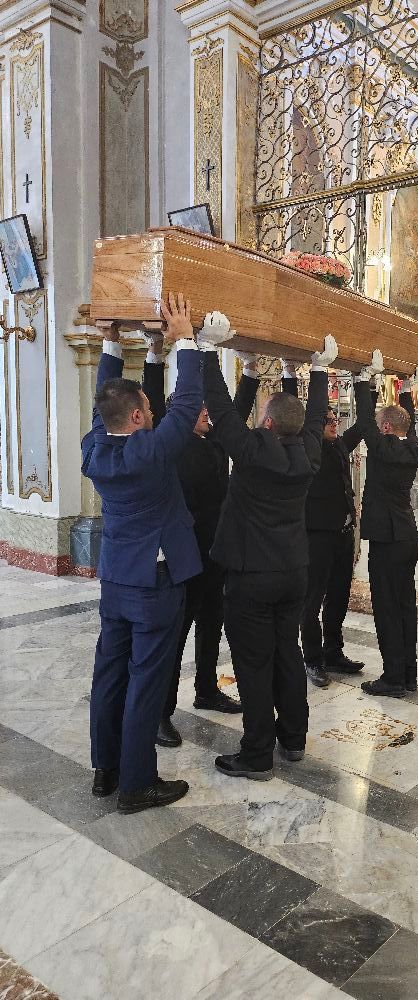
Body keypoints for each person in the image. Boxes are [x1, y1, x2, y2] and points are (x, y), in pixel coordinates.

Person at [199, 315, 334, 780]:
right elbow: (314, 418)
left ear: (268, 419)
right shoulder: (309, 453)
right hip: (292, 572)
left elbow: (219, 408)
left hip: (251, 577)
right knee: (287, 654)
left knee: (254, 665)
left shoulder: (255, 450)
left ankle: (257, 754)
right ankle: (293, 739)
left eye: (260, 414)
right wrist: (313, 370)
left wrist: (206, 347)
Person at [82, 293, 202, 814]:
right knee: (146, 681)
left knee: (109, 673)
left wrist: (111, 342)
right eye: (148, 408)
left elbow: (101, 402)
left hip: (116, 581)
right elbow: (189, 402)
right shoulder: (150, 450)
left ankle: (105, 770)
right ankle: (136, 784)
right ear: (135, 416)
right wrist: (185, 339)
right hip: (154, 585)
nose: (155, 410)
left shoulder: (95, 447)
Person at [141, 328, 242, 751]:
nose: (206, 413)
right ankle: (161, 713)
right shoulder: (172, 437)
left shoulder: (214, 439)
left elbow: (237, 410)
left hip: (216, 551)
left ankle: (205, 688)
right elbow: (154, 395)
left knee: (211, 625)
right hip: (185, 554)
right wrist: (154, 355)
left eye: (205, 409)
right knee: (175, 634)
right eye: (199, 409)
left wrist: (248, 374)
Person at [245, 361, 364, 688]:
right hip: (315, 535)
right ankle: (312, 660)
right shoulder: (307, 448)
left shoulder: (339, 445)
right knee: (312, 601)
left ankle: (333, 651)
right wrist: (289, 373)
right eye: (326, 419)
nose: (332, 422)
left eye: (335, 418)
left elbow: (365, 423)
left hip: (341, 534)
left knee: (339, 595)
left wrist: (365, 380)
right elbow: (293, 413)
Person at [354, 351, 418, 698]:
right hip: (407, 536)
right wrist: (405, 385)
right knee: (405, 605)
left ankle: (393, 677)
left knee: (385, 607)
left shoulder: (382, 449)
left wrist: (362, 381)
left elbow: (365, 421)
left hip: (385, 538)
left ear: (385, 428)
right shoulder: (413, 447)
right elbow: (413, 423)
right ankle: (408, 673)